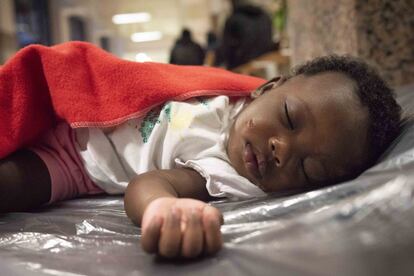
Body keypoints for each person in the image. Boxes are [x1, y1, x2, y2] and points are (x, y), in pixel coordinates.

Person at [0, 52, 402, 259]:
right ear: (268, 88)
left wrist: (163, 209)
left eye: (308, 168)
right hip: (74, 109)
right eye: (288, 118)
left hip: (73, 161)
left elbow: (149, 183)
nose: (282, 149)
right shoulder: (231, 97)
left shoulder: (227, 176)